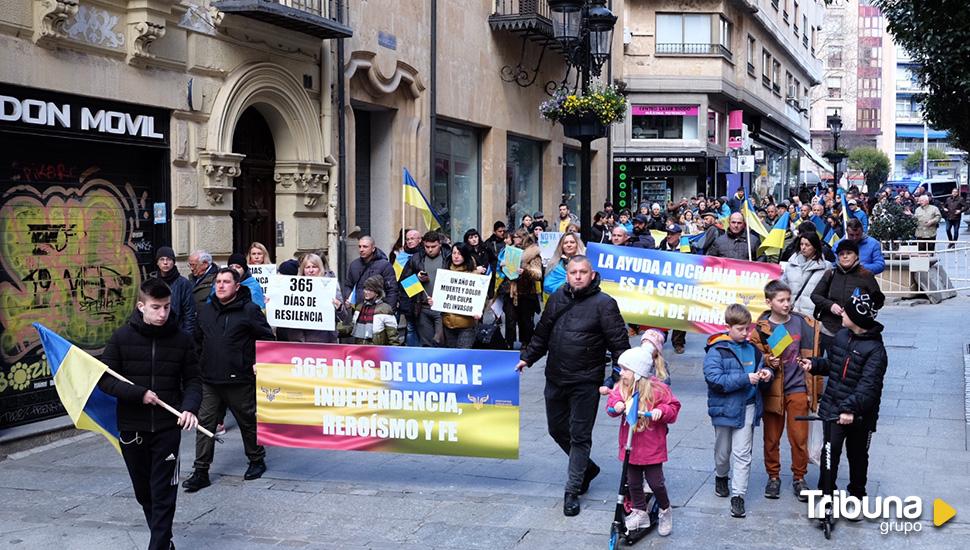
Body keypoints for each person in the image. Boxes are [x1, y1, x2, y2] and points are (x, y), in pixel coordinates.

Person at [516, 256, 630, 516]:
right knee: (556, 429)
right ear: (566, 275)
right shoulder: (557, 298)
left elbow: (621, 348)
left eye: (583, 272)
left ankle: (572, 490)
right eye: (573, 272)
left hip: (585, 382)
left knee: (580, 436)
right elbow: (542, 332)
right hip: (555, 377)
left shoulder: (605, 305)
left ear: (592, 275)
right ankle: (588, 468)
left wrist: (613, 379)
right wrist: (527, 358)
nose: (578, 276)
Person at [97, 278, 202, 550]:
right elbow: (104, 380)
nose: (162, 314)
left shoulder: (181, 339)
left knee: (164, 492)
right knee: (145, 493)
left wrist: (189, 407)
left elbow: (193, 380)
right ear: (141, 306)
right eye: (156, 307)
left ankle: (157, 546)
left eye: (166, 307)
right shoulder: (122, 338)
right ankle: (164, 542)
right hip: (132, 428)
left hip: (167, 428)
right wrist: (138, 393)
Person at [183, 267, 275, 493]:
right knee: (205, 425)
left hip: (239, 379)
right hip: (209, 380)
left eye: (226, 282)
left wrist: (256, 361)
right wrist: (198, 365)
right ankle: (201, 471)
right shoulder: (204, 311)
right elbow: (196, 341)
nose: (221, 285)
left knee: (247, 421)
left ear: (237, 286)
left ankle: (256, 460)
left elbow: (266, 339)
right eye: (218, 282)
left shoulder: (250, 310)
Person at [799, 288, 887, 501]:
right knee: (829, 454)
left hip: (859, 415)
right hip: (832, 408)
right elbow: (834, 364)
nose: (842, 314)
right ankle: (825, 494)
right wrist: (815, 365)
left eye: (846, 312)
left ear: (857, 318)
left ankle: (857, 495)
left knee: (857, 456)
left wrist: (850, 409)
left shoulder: (876, 350)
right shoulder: (841, 336)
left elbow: (869, 387)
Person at [747, 281, 820, 503]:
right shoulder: (761, 329)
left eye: (788, 299)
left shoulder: (804, 323)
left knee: (799, 437)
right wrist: (768, 360)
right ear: (769, 302)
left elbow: (816, 353)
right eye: (781, 300)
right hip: (774, 390)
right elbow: (755, 358)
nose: (786, 304)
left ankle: (799, 478)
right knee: (771, 438)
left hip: (799, 387)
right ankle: (774, 476)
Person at [703, 304, 773, 519]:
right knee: (722, 451)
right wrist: (745, 379)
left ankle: (738, 496)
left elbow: (763, 366)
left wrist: (766, 373)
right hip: (724, 408)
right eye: (741, 329)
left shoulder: (753, 349)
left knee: (743, 453)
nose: (746, 333)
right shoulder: (717, 350)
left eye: (747, 329)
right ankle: (721, 476)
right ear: (728, 327)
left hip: (748, 406)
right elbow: (714, 379)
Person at [605, 345, 680, 537]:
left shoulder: (658, 390)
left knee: (656, 482)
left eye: (625, 369)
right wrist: (617, 405)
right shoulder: (622, 388)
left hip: (652, 447)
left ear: (638, 372)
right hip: (630, 445)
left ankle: (665, 509)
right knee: (633, 482)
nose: (621, 373)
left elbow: (673, 408)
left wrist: (660, 411)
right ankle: (640, 511)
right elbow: (611, 406)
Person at [810, 239, 885, 354]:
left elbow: (878, 302)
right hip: (830, 330)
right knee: (830, 366)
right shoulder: (830, 273)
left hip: (856, 332)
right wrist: (831, 306)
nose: (845, 257)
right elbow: (815, 295)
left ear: (856, 256)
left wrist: (862, 307)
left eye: (849, 253)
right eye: (841, 254)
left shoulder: (866, 275)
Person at [403, 231, 451, 347]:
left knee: (443, 342)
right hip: (423, 307)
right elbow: (404, 282)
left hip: (443, 308)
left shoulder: (449, 257)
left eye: (433, 247)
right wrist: (417, 279)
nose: (430, 250)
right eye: (427, 247)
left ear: (439, 244)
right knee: (427, 344)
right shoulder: (416, 258)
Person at [431, 244, 481, 348]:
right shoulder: (445, 274)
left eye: (460, 253)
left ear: (465, 255)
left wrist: (479, 310)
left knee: (462, 356)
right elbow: (442, 295)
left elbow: (481, 297)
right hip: (448, 324)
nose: (456, 256)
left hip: (466, 325)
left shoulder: (474, 275)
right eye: (454, 253)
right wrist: (434, 301)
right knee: (453, 356)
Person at [499, 228, 542, 350]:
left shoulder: (533, 252)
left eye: (517, 237)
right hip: (510, 290)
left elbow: (538, 274)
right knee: (510, 319)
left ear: (524, 238)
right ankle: (509, 343)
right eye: (515, 236)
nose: (515, 239)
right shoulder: (510, 251)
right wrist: (502, 265)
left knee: (526, 319)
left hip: (526, 291)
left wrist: (526, 270)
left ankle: (526, 342)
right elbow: (501, 269)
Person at [286, 253, 341, 344]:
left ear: (320, 268)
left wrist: (339, 307)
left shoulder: (330, 286)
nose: (311, 270)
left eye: (314, 267)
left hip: (321, 340)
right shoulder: (293, 287)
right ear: (303, 270)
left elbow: (343, 316)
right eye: (307, 267)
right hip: (297, 340)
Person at [337, 275, 400, 345]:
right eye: (365, 289)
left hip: (377, 352)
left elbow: (393, 338)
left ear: (377, 293)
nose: (366, 292)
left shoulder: (385, 309)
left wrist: (393, 354)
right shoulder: (359, 307)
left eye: (370, 290)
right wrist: (336, 330)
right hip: (360, 351)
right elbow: (353, 329)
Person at [780, 232, 831, 316]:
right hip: (791, 313)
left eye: (807, 245)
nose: (803, 247)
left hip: (811, 316)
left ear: (815, 247)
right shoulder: (791, 264)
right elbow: (782, 287)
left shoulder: (826, 267)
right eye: (801, 244)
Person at [656, 224, 688, 353]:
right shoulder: (661, 247)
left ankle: (678, 342)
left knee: (680, 315)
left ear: (679, 235)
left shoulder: (688, 248)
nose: (669, 236)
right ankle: (659, 339)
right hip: (665, 286)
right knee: (662, 313)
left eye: (672, 234)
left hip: (682, 286)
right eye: (667, 233)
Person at [344, 236, 399, 308]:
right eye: (360, 246)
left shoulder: (384, 265)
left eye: (365, 247)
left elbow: (392, 290)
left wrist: (388, 309)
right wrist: (349, 298)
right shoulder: (354, 265)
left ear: (373, 249)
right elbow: (348, 285)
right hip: (358, 309)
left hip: (378, 310)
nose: (361, 249)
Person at [151, 246, 196, 334]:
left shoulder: (183, 283)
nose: (165, 262)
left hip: (177, 332)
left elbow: (189, 313)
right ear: (157, 262)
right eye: (161, 259)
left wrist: (187, 337)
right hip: (156, 331)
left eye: (169, 259)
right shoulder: (152, 282)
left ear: (173, 262)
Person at [543, 232, 586, 296]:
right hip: (560, 300)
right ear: (561, 246)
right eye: (565, 243)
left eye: (572, 242)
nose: (569, 245)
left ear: (577, 244)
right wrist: (565, 285)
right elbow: (547, 285)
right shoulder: (554, 263)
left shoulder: (586, 262)